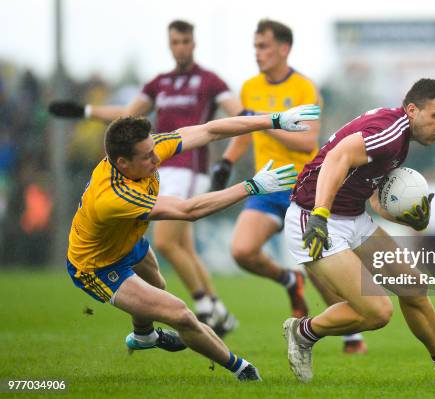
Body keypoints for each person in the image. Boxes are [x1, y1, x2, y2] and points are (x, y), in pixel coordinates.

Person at [64, 105, 319, 382]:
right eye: (147, 156)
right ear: (123, 163)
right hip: (97, 265)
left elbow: (209, 130)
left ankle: (144, 335)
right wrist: (251, 187)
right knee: (180, 314)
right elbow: (187, 211)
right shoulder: (113, 197)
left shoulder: (147, 151)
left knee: (157, 286)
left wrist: (274, 120)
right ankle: (242, 370)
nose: (156, 158)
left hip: (126, 239)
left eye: (153, 149)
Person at [282, 79, 435, 383]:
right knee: (378, 312)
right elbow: (337, 157)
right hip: (313, 218)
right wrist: (320, 214)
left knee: (413, 286)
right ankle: (302, 332)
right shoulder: (389, 133)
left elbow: (373, 198)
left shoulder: (399, 138)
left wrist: (411, 221)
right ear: (412, 110)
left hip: (352, 218)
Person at [49, 20, 244, 336]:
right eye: (174, 42)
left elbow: (239, 113)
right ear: (170, 45)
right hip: (156, 168)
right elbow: (126, 116)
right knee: (185, 248)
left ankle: (206, 310)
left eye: (185, 41)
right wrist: (84, 111)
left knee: (166, 242)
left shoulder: (209, 81)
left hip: (190, 167)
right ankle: (217, 309)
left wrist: (228, 158)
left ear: (193, 44)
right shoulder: (160, 83)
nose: (180, 47)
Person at [211, 19, 366, 353]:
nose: (258, 53)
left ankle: (352, 336)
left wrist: (267, 122)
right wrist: (226, 162)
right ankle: (287, 279)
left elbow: (306, 139)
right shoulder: (250, 87)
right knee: (242, 251)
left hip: (304, 188)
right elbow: (244, 129)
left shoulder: (304, 88)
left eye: (264, 46)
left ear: (284, 48)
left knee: (319, 269)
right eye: (255, 46)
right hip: (267, 187)